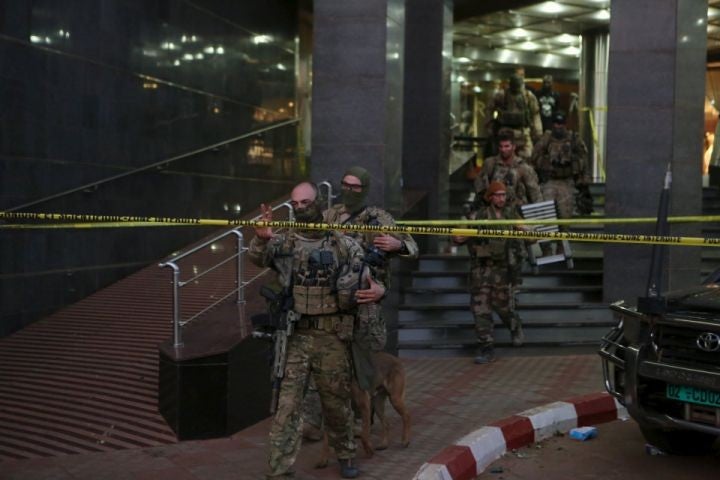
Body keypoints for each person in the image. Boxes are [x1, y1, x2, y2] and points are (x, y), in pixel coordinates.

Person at [249, 181, 385, 479]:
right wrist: (260, 238)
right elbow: (258, 257)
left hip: (331, 336)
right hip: (296, 336)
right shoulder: (285, 241)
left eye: (305, 202)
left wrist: (378, 291)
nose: (300, 208)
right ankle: (279, 467)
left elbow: (370, 275)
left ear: (319, 201)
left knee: (336, 402)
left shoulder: (340, 242)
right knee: (287, 406)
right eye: (295, 204)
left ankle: (346, 456)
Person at [302, 166, 419, 440]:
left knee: (362, 368)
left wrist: (396, 245)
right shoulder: (329, 215)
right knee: (323, 362)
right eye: (346, 184)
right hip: (329, 303)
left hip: (365, 306)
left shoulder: (378, 217)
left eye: (356, 186)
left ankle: (359, 421)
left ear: (365, 189)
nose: (349, 190)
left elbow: (412, 246)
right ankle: (316, 421)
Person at [452, 181, 527, 364]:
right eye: (497, 195)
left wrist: (525, 231)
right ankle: (486, 346)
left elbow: (529, 234)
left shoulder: (511, 214)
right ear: (490, 197)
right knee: (480, 309)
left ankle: (514, 325)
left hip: (502, 270)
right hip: (481, 269)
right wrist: (463, 234)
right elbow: (458, 236)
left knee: (503, 306)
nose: (501, 198)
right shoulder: (479, 215)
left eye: (503, 195)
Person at [474, 129, 543, 209]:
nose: (503, 150)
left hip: (516, 212)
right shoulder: (490, 163)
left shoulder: (523, 167)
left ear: (514, 147)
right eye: (501, 146)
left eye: (507, 146)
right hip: (494, 211)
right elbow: (480, 186)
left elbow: (535, 193)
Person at [486, 73, 543, 159]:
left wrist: (538, 131)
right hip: (505, 131)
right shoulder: (502, 95)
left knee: (527, 157)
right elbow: (489, 109)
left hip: (523, 132)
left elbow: (535, 113)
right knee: (503, 157)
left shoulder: (528, 96)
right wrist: (489, 126)